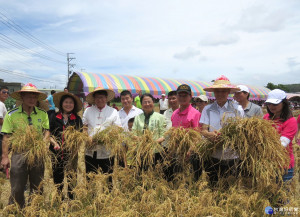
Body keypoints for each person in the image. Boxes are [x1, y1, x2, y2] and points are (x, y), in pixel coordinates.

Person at [1, 83, 49, 208]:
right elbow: (6, 136)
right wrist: (5, 156)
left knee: (37, 185)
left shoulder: (43, 114)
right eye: (29, 96)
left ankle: (34, 210)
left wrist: (43, 144)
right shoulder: (12, 115)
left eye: (34, 97)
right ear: (22, 97)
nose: (32, 99)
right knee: (17, 186)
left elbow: (46, 132)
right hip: (19, 153)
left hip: (37, 153)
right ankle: (18, 209)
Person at [200, 75, 244, 185]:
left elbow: (241, 131)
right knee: (213, 185)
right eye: (217, 91)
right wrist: (210, 134)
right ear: (214, 92)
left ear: (228, 91)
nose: (220, 94)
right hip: (213, 154)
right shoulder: (207, 109)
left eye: (223, 91)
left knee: (231, 186)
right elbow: (203, 130)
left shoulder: (237, 109)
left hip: (232, 155)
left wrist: (228, 137)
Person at [49, 92, 83, 199]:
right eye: (66, 102)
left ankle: (72, 200)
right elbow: (48, 134)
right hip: (56, 154)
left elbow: (80, 136)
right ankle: (59, 199)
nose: (68, 104)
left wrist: (75, 143)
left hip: (71, 154)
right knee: (57, 178)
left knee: (71, 177)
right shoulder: (54, 117)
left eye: (71, 103)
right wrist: (54, 143)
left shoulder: (77, 119)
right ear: (61, 104)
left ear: (74, 105)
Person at [83, 87, 121, 175]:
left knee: (108, 177)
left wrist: (107, 138)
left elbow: (117, 129)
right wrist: (87, 137)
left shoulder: (113, 111)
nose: (100, 100)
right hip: (90, 150)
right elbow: (84, 127)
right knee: (90, 177)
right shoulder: (88, 111)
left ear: (106, 98)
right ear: (94, 99)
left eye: (102, 97)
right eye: (97, 97)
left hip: (107, 151)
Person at [263, 89, 297, 182]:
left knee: (283, 194)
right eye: (269, 104)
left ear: (284, 103)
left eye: (275, 104)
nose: (271, 107)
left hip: (283, 165)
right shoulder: (266, 118)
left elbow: (282, 144)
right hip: (267, 163)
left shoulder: (290, 121)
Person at [171, 84, 201, 180]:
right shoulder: (175, 113)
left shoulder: (195, 113)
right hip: (177, 151)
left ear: (190, 97)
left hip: (191, 153)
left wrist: (190, 150)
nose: (182, 98)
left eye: (185, 96)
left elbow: (197, 135)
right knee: (178, 177)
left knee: (191, 179)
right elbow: (173, 133)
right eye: (180, 95)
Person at [132, 93, 166, 168]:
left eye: (149, 102)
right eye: (144, 102)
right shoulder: (137, 118)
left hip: (156, 152)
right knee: (141, 173)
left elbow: (163, 135)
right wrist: (141, 140)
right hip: (141, 151)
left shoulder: (160, 117)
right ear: (141, 104)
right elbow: (133, 134)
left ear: (153, 102)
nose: (147, 104)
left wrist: (153, 142)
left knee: (154, 174)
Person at [0, 86, 9, 171]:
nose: (6, 94)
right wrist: (9, 125)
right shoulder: (0, 104)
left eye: (7, 93)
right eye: (3, 92)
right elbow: (0, 120)